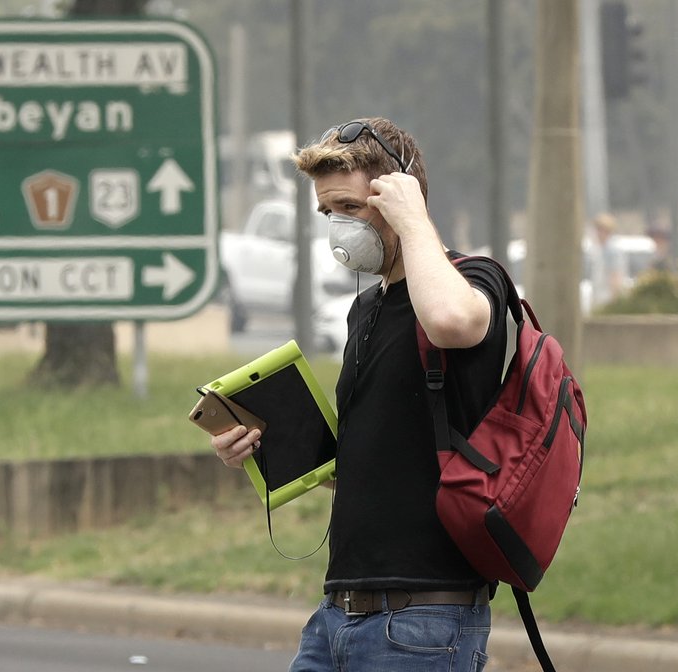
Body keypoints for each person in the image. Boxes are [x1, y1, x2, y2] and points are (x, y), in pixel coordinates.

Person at [211, 117, 511, 672]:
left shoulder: (474, 281)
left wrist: (414, 219)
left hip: (425, 618)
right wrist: (268, 447)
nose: (336, 227)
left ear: (401, 195)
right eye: (328, 212)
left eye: (350, 207)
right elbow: (375, 459)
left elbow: (451, 322)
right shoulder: (365, 309)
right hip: (337, 612)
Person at [589, 212, 625, 308]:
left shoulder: (612, 250)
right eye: (598, 229)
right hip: (598, 297)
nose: (599, 233)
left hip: (607, 299)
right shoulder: (598, 249)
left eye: (602, 230)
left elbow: (615, 276)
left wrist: (614, 300)